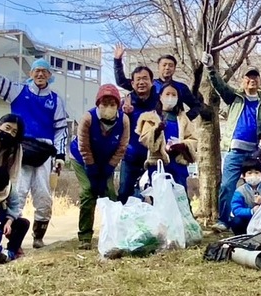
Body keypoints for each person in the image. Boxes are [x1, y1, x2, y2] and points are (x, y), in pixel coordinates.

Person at [0, 33, 69, 249]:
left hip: (45, 152)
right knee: (17, 194)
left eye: (44, 71)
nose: (40, 74)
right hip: (20, 149)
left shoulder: (55, 100)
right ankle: (13, 238)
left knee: (44, 196)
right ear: (30, 73)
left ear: (49, 75)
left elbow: (61, 129)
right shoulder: (18, 90)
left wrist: (60, 155)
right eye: (37, 71)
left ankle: (38, 237)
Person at [204, 56, 261, 233]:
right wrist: (211, 68)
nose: (252, 80)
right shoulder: (235, 97)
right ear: (243, 81)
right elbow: (220, 86)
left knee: (259, 185)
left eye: (255, 77)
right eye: (248, 77)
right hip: (235, 150)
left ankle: (256, 217)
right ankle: (223, 220)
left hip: (254, 152)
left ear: (259, 81)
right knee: (227, 186)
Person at [69, 84, 130, 249]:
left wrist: (109, 168)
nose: (108, 107)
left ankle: (115, 233)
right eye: (104, 103)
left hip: (106, 161)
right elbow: (83, 146)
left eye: (112, 104)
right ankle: (85, 237)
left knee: (110, 193)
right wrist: (91, 168)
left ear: (118, 105)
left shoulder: (124, 120)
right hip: (82, 159)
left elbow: (122, 147)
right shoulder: (88, 118)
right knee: (88, 191)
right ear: (98, 104)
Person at [112, 44, 159, 202]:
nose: (141, 82)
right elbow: (116, 127)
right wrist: (123, 114)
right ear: (132, 83)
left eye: (145, 78)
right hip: (131, 155)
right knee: (124, 192)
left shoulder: (159, 101)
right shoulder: (127, 101)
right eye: (137, 80)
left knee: (155, 193)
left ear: (152, 82)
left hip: (153, 155)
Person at [137, 83, 198, 189]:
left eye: (174, 95)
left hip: (178, 165)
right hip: (158, 164)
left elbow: (193, 139)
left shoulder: (183, 119)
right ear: (160, 96)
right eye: (167, 94)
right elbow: (144, 139)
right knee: (160, 199)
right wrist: (156, 131)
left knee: (180, 199)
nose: (170, 97)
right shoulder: (151, 117)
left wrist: (183, 146)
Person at [154, 54, 210, 121]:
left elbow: (197, 105)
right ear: (158, 67)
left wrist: (185, 119)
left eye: (171, 65)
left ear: (174, 69)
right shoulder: (150, 85)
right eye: (164, 65)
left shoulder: (181, 87)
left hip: (176, 126)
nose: (167, 68)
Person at [228, 159, 261, 235]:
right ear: (243, 176)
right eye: (249, 173)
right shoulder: (240, 191)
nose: (253, 176)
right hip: (247, 220)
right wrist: (251, 211)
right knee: (236, 221)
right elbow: (236, 209)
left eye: (257, 173)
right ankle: (242, 237)